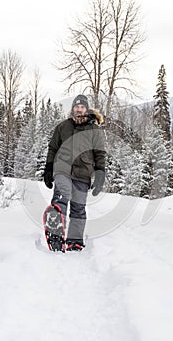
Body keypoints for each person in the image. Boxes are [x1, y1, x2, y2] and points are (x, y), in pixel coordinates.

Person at [43, 94, 106, 251]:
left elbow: (100, 153)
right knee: (62, 198)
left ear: (87, 109)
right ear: (72, 109)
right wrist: (49, 167)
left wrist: (100, 174)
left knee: (78, 207)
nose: (79, 109)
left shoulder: (94, 130)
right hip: (62, 169)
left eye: (82, 107)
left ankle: (75, 240)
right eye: (76, 107)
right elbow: (53, 148)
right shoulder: (63, 127)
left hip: (83, 173)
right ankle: (55, 233)